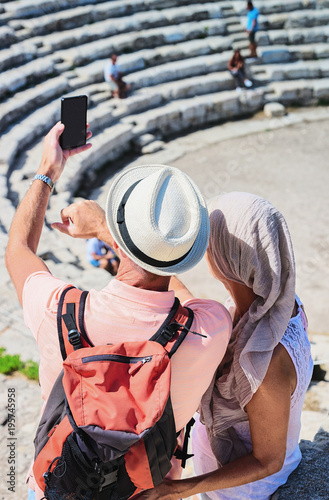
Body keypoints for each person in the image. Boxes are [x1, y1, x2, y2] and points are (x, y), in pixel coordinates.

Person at [5, 123, 232, 500]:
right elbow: (183, 299)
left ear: (120, 236)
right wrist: (109, 233)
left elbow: (18, 249)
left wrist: (49, 169)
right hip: (141, 489)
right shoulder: (210, 329)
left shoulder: (56, 308)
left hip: (61, 486)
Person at [133, 192, 313, 500]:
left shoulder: (265, 358)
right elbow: (193, 307)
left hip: (242, 491)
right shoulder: (275, 301)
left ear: (229, 260)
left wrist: (178, 489)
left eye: (209, 241)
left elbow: (268, 459)